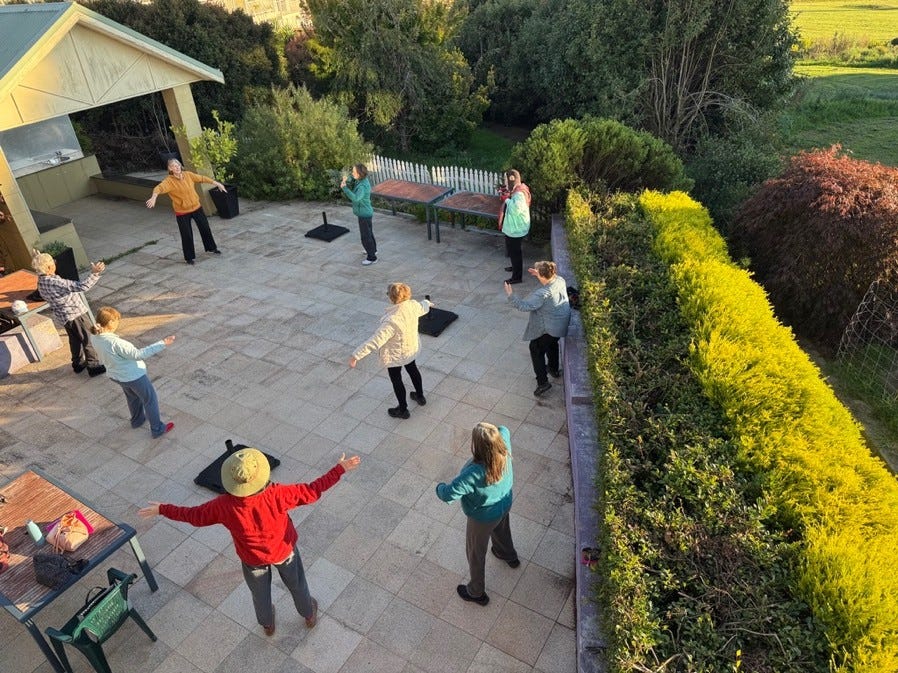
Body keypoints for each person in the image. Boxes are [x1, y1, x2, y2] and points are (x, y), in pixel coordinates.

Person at [138, 449, 361, 636]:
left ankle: (267, 624)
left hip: (252, 559)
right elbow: (312, 490)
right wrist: (339, 469)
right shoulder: (277, 494)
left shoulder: (223, 505)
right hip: (284, 551)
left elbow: (193, 516)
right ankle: (308, 614)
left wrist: (163, 509)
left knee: (259, 594)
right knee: (297, 584)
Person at [436, 422, 519, 606]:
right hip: (504, 503)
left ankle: (476, 592)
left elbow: (448, 494)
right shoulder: (504, 443)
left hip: (483, 517)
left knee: (475, 552)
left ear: (478, 447)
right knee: (502, 529)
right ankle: (508, 555)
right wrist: (492, 433)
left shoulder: (474, 473)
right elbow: (504, 428)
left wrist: (439, 488)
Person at [349, 282, 431, 419]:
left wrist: (356, 356)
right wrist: (428, 303)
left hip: (395, 355)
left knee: (396, 379)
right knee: (413, 369)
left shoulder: (392, 321)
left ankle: (403, 410)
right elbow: (423, 307)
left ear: (392, 297)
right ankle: (420, 396)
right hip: (410, 348)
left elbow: (375, 341)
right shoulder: (413, 305)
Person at [89, 306, 174, 438]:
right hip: (133, 376)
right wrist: (162, 343)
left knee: (132, 397)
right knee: (150, 399)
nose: (118, 324)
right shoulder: (115, 343)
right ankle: (157, 428)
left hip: (116, 375)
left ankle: (137, 420)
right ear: (110, 322)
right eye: (117, 321)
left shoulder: (94, 336)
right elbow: (138, 354)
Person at [32, 249, 106, 377]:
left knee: (75, 340)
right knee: (89, 339)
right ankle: (93, 366)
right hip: (76, 314)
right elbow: (82, 286)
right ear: (49, 267)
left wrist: (39, 258)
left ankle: (77, 364)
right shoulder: (56, 282)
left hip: (64, 317)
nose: (55, 264)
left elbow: (42, 269)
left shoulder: (41, 282)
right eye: (53, 262)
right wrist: (95, 273)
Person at [505, 260, 571, 396]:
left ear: (542, 275)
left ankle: (543, 383)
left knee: (535, 349)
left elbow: (524, 306)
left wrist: (511, 295)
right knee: (552, 343)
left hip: (550, 327)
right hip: (561, 325)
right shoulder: (560, 280)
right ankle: (553, 369)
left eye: (538, 272)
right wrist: (539, 273)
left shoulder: (542, 294)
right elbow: (548, 275)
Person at [145, 159, 225, 265]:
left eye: (178, 165)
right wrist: (154, 197)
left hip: (196, 208)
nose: (177, 167)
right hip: (182, 212)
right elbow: (159, 188)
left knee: (205, 228)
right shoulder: (169, 181)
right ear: (170, 169)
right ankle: (189, 258)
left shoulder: (188, 175)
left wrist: (217, 183)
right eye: (174, 166)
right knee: (186, 234)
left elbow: (202, 178)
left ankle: (212, 248)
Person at [497, 169, 531, 284]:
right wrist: (507, 195)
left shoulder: (519, 194)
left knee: (515, 252)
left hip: (516, 229)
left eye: (507, 181)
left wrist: (506, 200)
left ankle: (517, 277)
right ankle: (515, 267)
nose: (505, 183)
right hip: (514, 228)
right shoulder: (517, 190)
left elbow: (516, 210)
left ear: (511, 180)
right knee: (512, 250)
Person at [340, 163, 377, 265]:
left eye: (354, 172)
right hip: (366, 213)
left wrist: (345, 188)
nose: (352, 173)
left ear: (359, 174)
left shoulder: (362, 187)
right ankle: (373, 250)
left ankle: (372, 257)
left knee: (365, 237)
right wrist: (347, 179)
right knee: (369, 233)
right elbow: (353, 179)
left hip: (364, 214)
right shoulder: (361, 180)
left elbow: (356, 198)